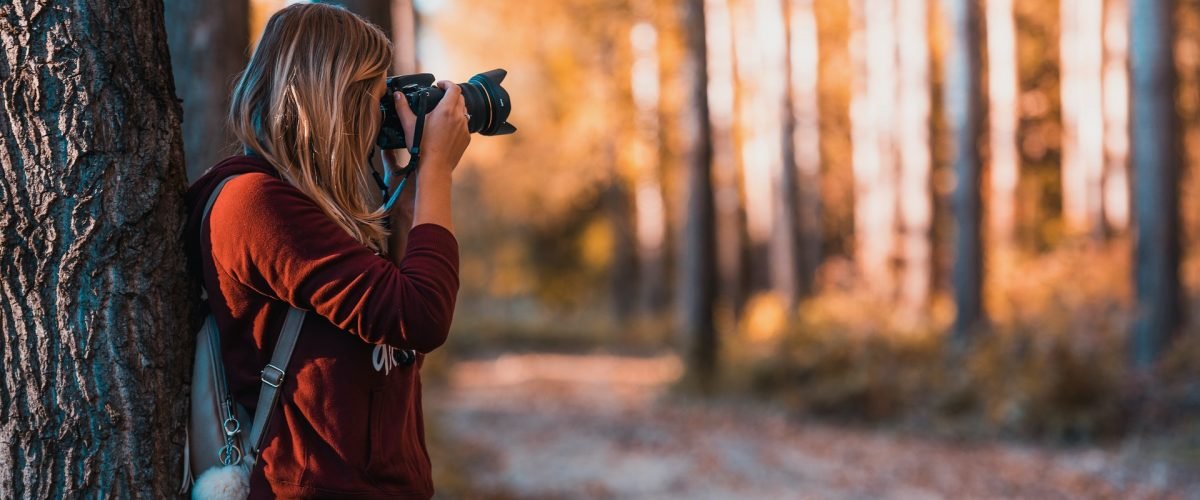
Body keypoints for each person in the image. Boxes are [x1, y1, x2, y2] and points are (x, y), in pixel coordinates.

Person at [183, 3, 468, 498]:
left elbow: (396, 296)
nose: (380, 115)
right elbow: (420, 314)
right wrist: (435, 172)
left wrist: (398, 171)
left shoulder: (312, 207)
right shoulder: (254, 204)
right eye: (375, 99)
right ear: (337, 98)